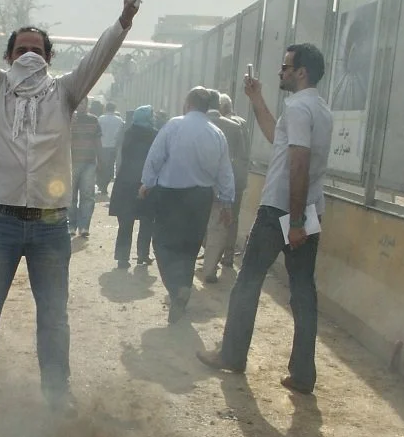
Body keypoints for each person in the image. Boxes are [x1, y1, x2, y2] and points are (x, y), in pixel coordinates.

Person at [0, 0, 147, 410]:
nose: (29, 55)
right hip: (2, 223)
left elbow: (100, 56)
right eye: (20, 50)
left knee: (53, 318)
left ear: (50, 58)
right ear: (8, 57)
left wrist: (125, 18)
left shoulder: (66, 93)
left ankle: (57, 393)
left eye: (37, 49)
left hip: (52, 227)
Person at [197, 44, 333, 393]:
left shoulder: (300, 108)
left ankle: (232, 354)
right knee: (303, 291)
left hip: (282, 210)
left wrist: (296, 220)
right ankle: (303, 374)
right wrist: (256, 99)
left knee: (248, 282)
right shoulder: (319, 108)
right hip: (308, 209)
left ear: (301, 72)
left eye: (286, 67)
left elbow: (298, 163)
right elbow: (279, 139)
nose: (281, 72)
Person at [139, 86, 234, 324]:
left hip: (171, 196)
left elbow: (155, 156)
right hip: (201, 199)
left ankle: (175, 289)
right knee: (189, 249)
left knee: (162, 243)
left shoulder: (174, 125)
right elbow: (225, 172)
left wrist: (147, 183)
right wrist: (226, 203)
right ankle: (182, 288)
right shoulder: (217, 134)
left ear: (188, 104)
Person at [202, 92, 250, 282]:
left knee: (209, 222)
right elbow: (243, 156)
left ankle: (209, 256)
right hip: (233, 183)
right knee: (229, 220)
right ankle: (226, 258)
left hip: (207, 182)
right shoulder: (241, 124)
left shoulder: (206, 123)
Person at [109, 104, 156, 269]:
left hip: (126, 182)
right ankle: (142, 255)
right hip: (146, 182)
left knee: (126, 221)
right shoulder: (154, 135)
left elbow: (121, 155)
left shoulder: (128, 133)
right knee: (146, 220)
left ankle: (122, 257)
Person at [68, 97, 101, 239]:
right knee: (71, 196)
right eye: (78, 102)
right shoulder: (68, 119)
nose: (80, 105)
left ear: (87, 105)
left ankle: (84, 226)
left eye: (83, 103)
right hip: (71, 163)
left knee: (87, 195)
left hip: (89, 163)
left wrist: (101, 161)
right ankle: (71, 226)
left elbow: (97, 141)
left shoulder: (93, 120)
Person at [97, 101, 125, 195]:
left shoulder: (100, 119)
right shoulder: (119, 120)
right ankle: (104, 185)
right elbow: (121, 135)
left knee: (101, 165)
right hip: (113, 147)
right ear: (114, 109)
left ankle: (101, 184)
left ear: (105, 108)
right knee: (110, 167)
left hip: (101, 146)